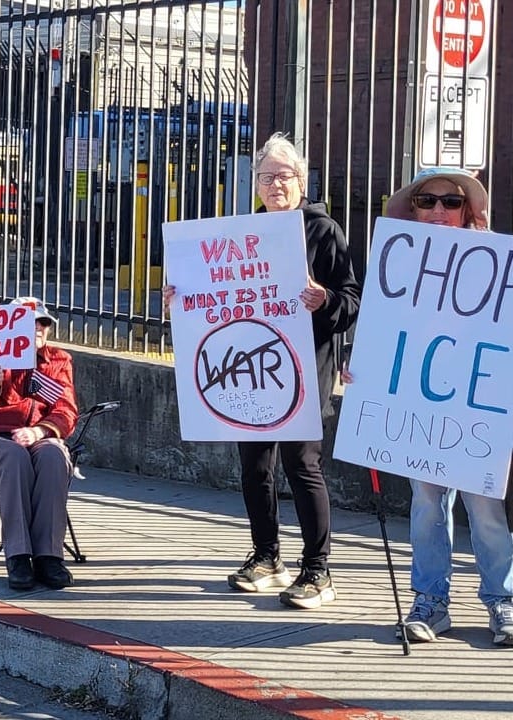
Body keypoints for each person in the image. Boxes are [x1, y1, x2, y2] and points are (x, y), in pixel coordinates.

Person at [346, 166, 513, 647]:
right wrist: (361, 371)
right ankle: (429, 602)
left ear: (468, 210)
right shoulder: (397, 262)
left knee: (486, 510)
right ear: (413, 210)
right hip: (418, 407)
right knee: (426, 506)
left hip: (479, 412)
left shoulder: (504, 259)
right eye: (427, 201)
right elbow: (379, 331)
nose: (439, 210)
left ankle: (502, 604)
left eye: (450, 201)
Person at [162, 133, 361, 609]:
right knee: (255, 465)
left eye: (285, 176)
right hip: (249, 369)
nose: (276, 185)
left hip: (304, 365)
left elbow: (352, 301)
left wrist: (325, 299)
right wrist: (182, 300)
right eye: (267, 177)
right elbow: (217, 295)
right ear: (255, 184)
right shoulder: (242, 234)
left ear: (302, 180)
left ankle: (318, 570)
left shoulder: (323, 230)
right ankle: (268, 557)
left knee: (301, 463)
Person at [0, 298, 80, 591]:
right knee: (14, 457)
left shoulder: (59, 360)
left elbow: (66, 410)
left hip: (40, 434)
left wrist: (40, 432)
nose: (40, 328)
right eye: (32, 323)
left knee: (55, 456)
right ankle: (18, 555)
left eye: (44, 323)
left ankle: (48, 556)